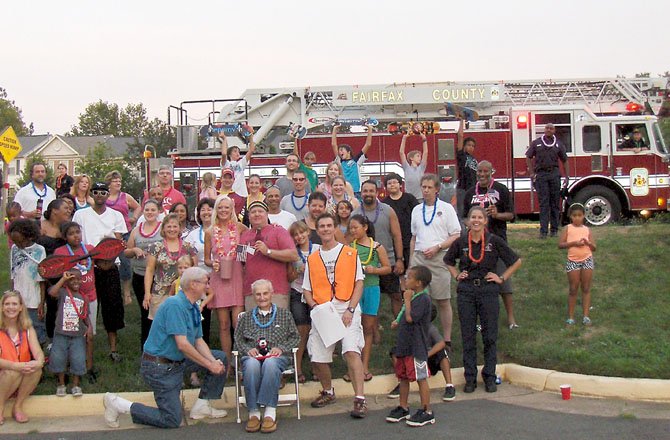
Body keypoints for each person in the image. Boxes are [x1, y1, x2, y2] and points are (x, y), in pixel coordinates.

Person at [103, 267, 228, 429]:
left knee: (220, 357)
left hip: (178, 362)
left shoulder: (194, 307)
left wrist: (213, 362)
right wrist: (209, 365)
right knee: (172, 419)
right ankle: (118, 404)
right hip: (159, 367)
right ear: (193, 285)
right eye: (206, 282)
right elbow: (182, 344)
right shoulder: (174, 305)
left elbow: (198, 341)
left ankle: (202, 406)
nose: (208, 287)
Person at [445, 206, 522, 393]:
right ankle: (469, 378)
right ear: (468, 221)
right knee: (468, 335)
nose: (476, 220)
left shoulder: (494, 241)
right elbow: (448, 260)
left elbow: (516, 261)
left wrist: (501, 278)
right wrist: (456, 274)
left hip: (488, 290)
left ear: (486, 221)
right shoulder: (461, 241)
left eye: (480, 217)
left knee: (489, 336)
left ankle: (489, 375)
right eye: (473, 217)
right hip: (466, 291)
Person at [302, 213, 367, 419]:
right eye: (322, 226)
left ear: (335, 228)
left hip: (346, 307)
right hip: (323, 310)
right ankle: (328, 391)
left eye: (329, 225)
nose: (326, 229)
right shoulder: (312, 259)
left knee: (351, 351)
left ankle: (359, 399)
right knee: (318, 354)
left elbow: (359, 283)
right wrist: (315, 308)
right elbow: (307, 289)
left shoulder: (350, 253)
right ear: (317, 229)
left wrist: (350, 310)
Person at [234, 279, 300, 433]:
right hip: (253, 355)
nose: (262, 297)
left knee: (270, 363)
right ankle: (254, 412)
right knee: (250, 365)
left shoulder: (284, 314)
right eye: (258, 294)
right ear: (253, 296)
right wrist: (247, 349)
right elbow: (237, 339)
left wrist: (281, 348)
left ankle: (270, 412)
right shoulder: (246, 317)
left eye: (265, 293)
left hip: (276, 356)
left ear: (271, 294)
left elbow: (295, 337)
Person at [72, 182, 128, 362]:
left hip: (110, 266)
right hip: (87, 266)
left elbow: (118, 242)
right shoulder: (80, 215)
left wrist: (108, 259)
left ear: (107, 194)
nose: (100, 195)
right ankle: (85, 345)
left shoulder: (116, 215)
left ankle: (113, 349)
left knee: (112, 307)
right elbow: (76, 239)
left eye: (103, 192)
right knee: (86, 306)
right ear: (92, 194)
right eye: (96, 192)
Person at [463, 161, 518, 329]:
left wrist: (497, 214)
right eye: (479, 171)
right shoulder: (470, 193)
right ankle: (480, 321)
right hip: (476, 243)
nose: (482, 174)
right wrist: (470, 224)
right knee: (478, 283)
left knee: (503, 282)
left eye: (486, 171)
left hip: (497, 240)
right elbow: (464, 217)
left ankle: (511, 319)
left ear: (491, 171)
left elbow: (511, 215)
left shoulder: (501, 189)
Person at [409, 174, 461, 346]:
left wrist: (438, 247)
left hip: (439, 258)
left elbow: (456, 235)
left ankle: (446, 339)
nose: (426, 190)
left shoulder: (446, 208)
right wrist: (411, 263)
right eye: (423, 187)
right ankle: (423, 336)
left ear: (437, 189)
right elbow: (414, 238)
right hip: (419, 258)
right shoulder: (417, 210)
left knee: (443, 299)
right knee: (420, 300)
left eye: (429, 187)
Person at [354, 180, 405, 340]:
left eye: (371, 191)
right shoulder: (356, 213)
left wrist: (399, 259)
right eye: (365, 191)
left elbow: (397, 235)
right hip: (365, 266)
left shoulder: (387, 210)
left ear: (377, 193)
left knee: (396, 295)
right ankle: (374, 332)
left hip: (387, 261)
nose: (368, 194)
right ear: (361, 193)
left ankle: (399, 327)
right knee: (371, 301)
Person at [385, 265, 435, 427]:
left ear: (419, 283)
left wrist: (406, 300)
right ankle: (403, 406)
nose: (406, 279)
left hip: (416, 347)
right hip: (405, 345)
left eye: (410, 277)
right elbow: (403, 317)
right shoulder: (414, 297)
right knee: (403, 377)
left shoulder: (423, 299)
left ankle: (426, 410)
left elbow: (410, 318)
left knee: (420, 377)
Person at [204, 195, 247, 364]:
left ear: (232, 210)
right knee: (223, 324)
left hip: (237, 276)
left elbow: (248, 246)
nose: (223, 211)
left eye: (226, 207)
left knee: (238, 323)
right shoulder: (210, 232)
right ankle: (227, 361)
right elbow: (207, 258)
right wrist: (212, 263)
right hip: (219, 278)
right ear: (216, 210)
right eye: (220, 207)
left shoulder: (240, 228)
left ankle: (243, 360)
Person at [348, 214, 391, 382]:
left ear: (365, 227)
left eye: (355, 227)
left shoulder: (377, 247)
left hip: (371, 289)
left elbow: (387, 268)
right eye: (351, 228)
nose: (353, 231)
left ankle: (364, 365)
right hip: (353, 290)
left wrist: (375, 270)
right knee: (353, 328)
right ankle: (353, 365)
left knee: (368, 327)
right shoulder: (349, 247)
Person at [54, 222, 97, 383]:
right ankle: (64, 368)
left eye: (78, 232)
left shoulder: (90, 249)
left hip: (90, 296)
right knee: (68, 335)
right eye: (71, 233)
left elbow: (103, 262)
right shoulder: (61, 252)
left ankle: (89, 367)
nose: (76, 236)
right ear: (65, 237)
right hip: (70, 300)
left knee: (89, 335)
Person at [388, 305, 456, 402]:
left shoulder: (430, 329)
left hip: (427, 358)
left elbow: (441, 343)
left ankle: (449, 385)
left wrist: (427, 354)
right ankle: (401, 383)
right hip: (413, 357)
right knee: (395, 351)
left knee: (442, 353)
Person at [240, 201, 298, 311]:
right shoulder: (244, 236)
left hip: (276, 291)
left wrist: (268, 252)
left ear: (267, 214)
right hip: (251, 292)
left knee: (277, 326)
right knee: (254, 327)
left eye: (260, 211)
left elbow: (293, 255)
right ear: (249, 216)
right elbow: (241, 262)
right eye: (253, 212)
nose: (257, 214)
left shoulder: (279, 231)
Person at [0, 291, 45, 425]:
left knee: (36, 370)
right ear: (2, 307)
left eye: (14, 304)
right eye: (7, 304)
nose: (11, 307)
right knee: (11, 372)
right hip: (6, 373)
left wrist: (39, 362)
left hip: (20, 372)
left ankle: (17, 407)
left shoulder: (28, 328)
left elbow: (38, 352)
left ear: (21, 307)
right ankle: (0, 407)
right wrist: (15, 366)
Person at [125, 199, 164, 347]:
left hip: (160, 277)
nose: (149, 213)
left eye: (153, 210)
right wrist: (134, 250)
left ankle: (161, 343)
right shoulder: (137, 230)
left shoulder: (163, 229)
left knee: (159, 311)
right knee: (145, 311)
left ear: (158, 212)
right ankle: (146, 346)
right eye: (147, 210)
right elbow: (127, 252)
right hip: (140, 275)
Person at [144, 213, 197, 320]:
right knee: (161, 325)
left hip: (182, 292)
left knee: (180, 324)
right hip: (160, 292)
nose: (172, 229)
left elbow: (194, 271)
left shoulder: (188, 247)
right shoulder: (155, 247)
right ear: (163, 229)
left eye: (175, 226)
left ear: (179, 228)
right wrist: (147, 293)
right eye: (169, 226)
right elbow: (149, 270)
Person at [48, 269, 91, 397]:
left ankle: (75, 385)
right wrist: (63, 279)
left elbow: (85, 316)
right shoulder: (62, 293)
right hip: (61, 333)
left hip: (77, 335)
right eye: (72, 279)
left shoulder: (84, 297)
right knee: (58, 358)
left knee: (78, 359)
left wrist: (89, 328)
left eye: (78, 279)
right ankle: (61, 384)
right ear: (67, 281)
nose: (76, 282)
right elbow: (52, 292)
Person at [287, 221, 320, 384]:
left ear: (308, 232)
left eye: (302, 233)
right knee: (302, 330)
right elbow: (289, 277)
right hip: (298, 292)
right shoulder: (293, 254)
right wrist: (297, 271)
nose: (299, 237)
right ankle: (297, 367)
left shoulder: (319, 249)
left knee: (317, 330)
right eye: (295, 235)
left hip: (316, 294)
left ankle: (317, 367)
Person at [382, 172, 419, 316]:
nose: (392, 185)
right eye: (389, 183)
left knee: (411, 270)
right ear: (386, 187)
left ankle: (414, 298)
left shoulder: (409, 199)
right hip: (394, 243)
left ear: (400, 184)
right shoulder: (385, 203)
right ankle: (404, 300)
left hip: (410, 240)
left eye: (395, 182)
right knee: (400, 274)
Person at [526, 123, 570, 239]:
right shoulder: (536, 143)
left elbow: (564, 160)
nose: (549, 130)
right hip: (541, 175)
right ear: (544, 130)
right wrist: (531, 173)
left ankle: (554, 230)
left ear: (554, 131)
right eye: (547, 128)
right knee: (544, 204)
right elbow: (528, 157)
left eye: (551, 128)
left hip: (554, 174)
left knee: (555, 203)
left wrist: (567, 176)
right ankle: (543, 232)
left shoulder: (558, 144)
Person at [106, 170, 141, 307]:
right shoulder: (104, 196)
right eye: (115, 181)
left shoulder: (125, 196)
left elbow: (138, 207)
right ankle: (112, 289)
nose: (118, 183)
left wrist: (134, 218)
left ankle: (126, 292)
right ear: (109, 183)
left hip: (125, 232)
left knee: (125, 262)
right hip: (108, 234)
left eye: (120, 181)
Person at [9, 219, 47, 345]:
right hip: (18, 297)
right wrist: (11, 295)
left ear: (29, 236)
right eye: (15, 241)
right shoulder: (14, 249)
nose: (18, 244)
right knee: (18, 328)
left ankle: (38, 357)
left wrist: (41, 303)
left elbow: (42, 280)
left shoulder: (40, 250)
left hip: (33, 299)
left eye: (20, 241)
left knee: (36, 327)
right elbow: (13, 274)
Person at [184, 198, 215, 344]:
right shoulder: (192, 235)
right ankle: (203, 344)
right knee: (203, 313)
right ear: (198, 213)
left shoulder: (224, 230)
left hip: (221, 275)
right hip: (200, 279)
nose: (207, 212)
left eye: (210, 208)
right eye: (203, 209)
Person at [559, 203, 596, 326]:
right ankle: (571, 316)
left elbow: (594, 247)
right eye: (574, 216)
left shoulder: (587, 230)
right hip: (573, 260)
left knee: (586, 288)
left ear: (584, 216)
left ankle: (586, 316)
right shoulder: (568, 228)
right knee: (573, 289)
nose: (577, 218)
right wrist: (574, 243)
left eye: (580, 215)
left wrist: (588, 243)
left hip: (587, 259)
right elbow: (561, 245)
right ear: (571, 217)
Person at [37, 199, 69, 343]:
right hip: (41, 271)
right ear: (55, 211)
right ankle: (49, 337)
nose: (69, 210)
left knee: (59, 305)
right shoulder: (39, 225)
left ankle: (63, 336)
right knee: (48, 306)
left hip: (60, 273)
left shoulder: (66, 228)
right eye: (65, 208)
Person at [331, 124, 373, 197]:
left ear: (348, 152)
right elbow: (333, 145)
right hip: (344, 192)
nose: (340, 152)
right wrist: (334, 129)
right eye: (339, 150)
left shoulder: (356, 161)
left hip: (356, 192)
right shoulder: (339, 162)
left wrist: (370, 129)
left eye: (342, 150)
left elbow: (368, 144)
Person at [219, 127, 256, 197]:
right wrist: (224, 139)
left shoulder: (241, 163)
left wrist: (251, 136)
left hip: (242, 195)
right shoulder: (226, 164)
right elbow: (224, 153)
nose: (237, 153)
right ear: (229, 154)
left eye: (238, 152)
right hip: (228, 195)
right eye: (235, 151)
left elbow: (251, 150)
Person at [456, 119, 478, 218]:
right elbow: (460, 136)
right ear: (464, 146)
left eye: (473, 146)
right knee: (462, 212)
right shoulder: (462, 156)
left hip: (473, 189)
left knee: (472, 212)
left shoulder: (474, 159)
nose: (471, 147)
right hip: (462, 189)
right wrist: (461, 120)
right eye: (469, 145)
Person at [399, 133, 428, 201]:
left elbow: (425, 152)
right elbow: (401, 152)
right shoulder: (406, 167)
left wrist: (424, 139)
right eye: (417, 156)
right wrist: (404, 138)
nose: (420, 158)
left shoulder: (421, 168)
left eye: (420, 156)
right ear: (411, 158)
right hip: (409, 198)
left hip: (420, 198)